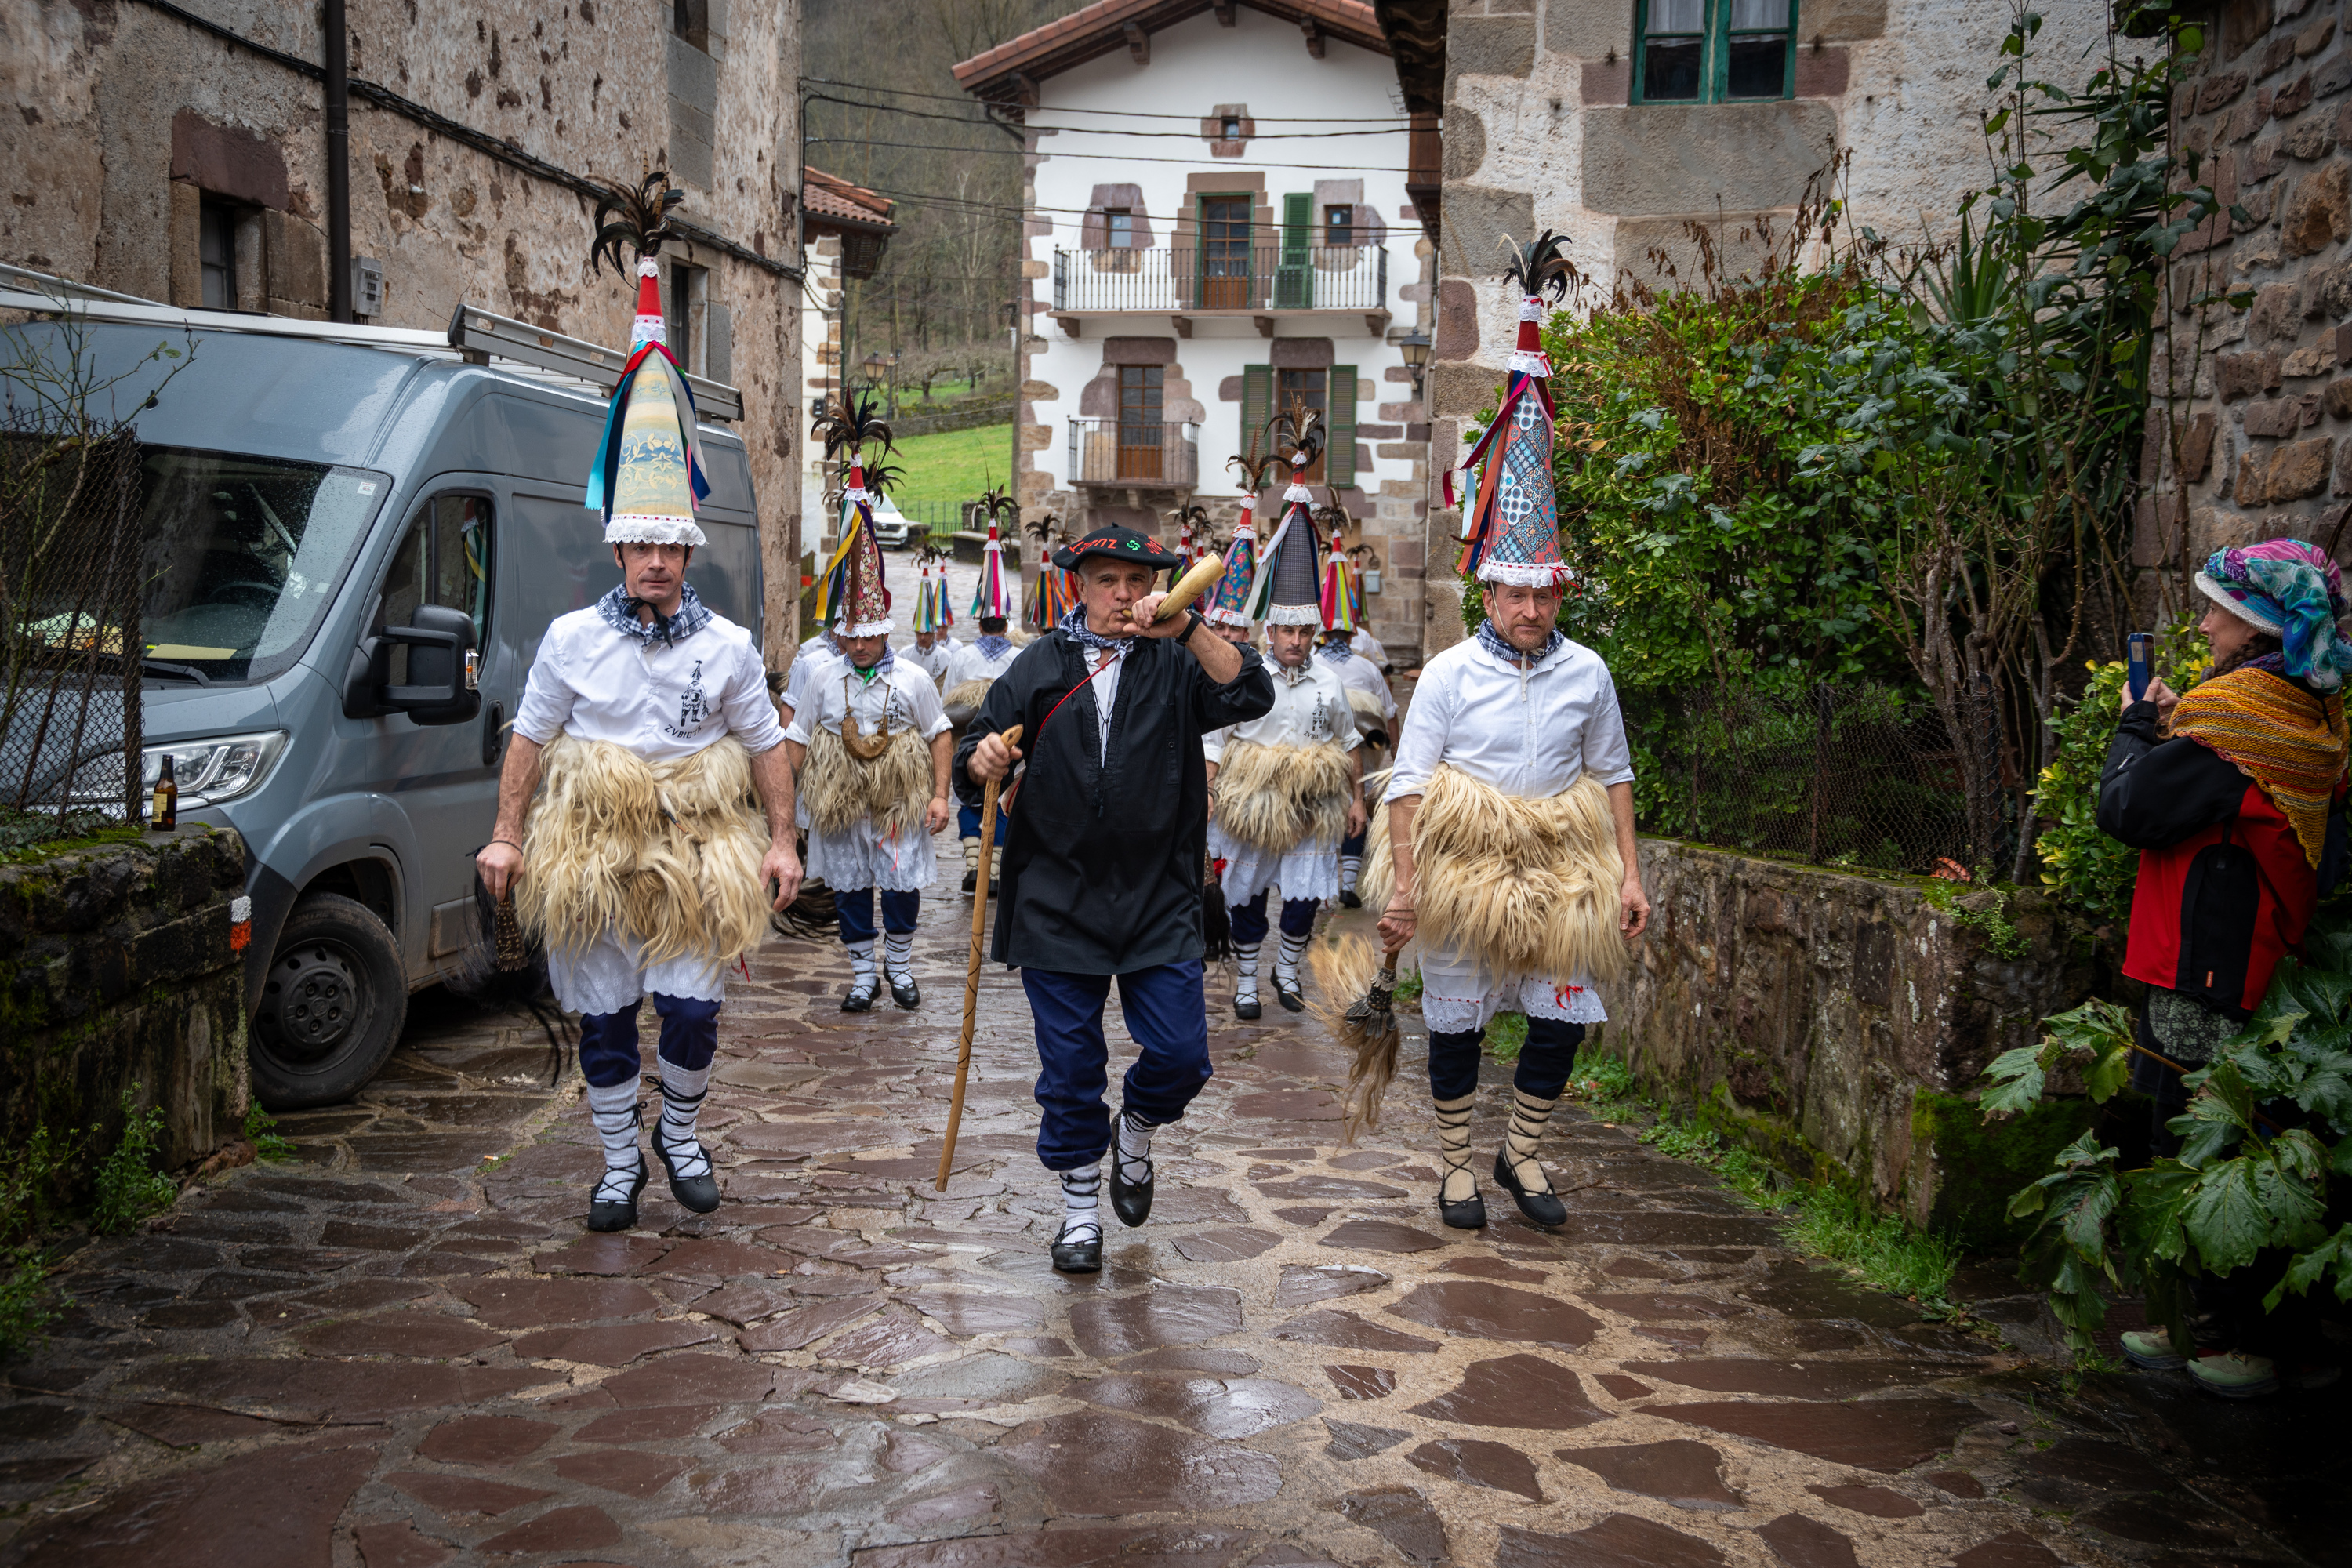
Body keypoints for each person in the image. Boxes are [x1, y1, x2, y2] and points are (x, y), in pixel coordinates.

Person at [477, 252, 799, 1234]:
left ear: (689, 550)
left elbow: (766, 743)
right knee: (607, 1017)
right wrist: (508, 833)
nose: (657, 560)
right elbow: (530, 735)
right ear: (617, 547)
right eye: (642, 544)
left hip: (699, 850)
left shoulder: (728, 646)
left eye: (672, 545)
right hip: (592, 849)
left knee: (692, 1011)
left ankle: (682, 1132)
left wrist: (783, 841)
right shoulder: (571, 639)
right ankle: (619, 1162)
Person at [1371, 239, 1649, 1232]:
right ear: (1487, 589)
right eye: (1515, 592)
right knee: (1457, 1026)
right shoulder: (1449, 673)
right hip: (1464, 867)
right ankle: (1455, 1167)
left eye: (1544, 592)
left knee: (1561, 1021)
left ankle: (1520, 1150)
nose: (1531, 607)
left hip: (1561, 866)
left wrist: (1629, 872)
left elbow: (1613, 772)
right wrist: (1407, 884)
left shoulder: (1589, 671)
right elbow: (1408, 781)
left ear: (1557, 591)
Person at [955, 524, 1273, 1273]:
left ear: (1156, 588)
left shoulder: (1177, 659)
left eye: (1137, 581)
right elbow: (975, 751)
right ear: (1081, 586)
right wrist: (985, 759)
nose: (1123, 595)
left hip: (1158, 893)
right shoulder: (1040, 663)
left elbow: (1249, 692)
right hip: (1055, 896)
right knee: (1070, 1068)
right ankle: (1077, 1214)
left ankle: (1135, 1129)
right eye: (1107, 581)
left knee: (1182, 1056)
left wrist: (1187, 628)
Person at [2099, 539, 2352, 1399]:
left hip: (2205, 966)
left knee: (2201, 1142)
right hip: (2256, 962)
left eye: (2219, 612)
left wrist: (2137, 723)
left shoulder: (2234, 721)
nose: (2205, 625)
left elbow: (2125, 807)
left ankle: (2243, 1338)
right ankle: (2207, 1325)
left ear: (2257, 629)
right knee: (2234, 1140)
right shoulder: (2311, 715)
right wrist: (2178, 723)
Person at [785, 461, 953, 1012]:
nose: (859, 647)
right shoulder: (820, 677)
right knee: (850, 888)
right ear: (840, 634)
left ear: (884, 631)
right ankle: (863, 976)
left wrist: (938, 795)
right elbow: (797, 735)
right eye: (851, 638)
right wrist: (787, 807)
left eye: (869, 637)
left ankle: (899, 969)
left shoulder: (913, 679)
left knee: (901, 886)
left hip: (896, 801)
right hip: (840, 802)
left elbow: (939, 733)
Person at [1205, 461, 1361, 1018]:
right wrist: (1209, 793)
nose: (1295, 640)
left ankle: (1287, 970)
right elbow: (1215, 741)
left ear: (1314, 632)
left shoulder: (1331, 683)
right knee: (1246, 899)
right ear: (1268, 630)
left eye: (1304, 631)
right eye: (1287, 630)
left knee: (1302, 902)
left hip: (1312, 809)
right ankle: (1247, 981)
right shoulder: (1242, 676)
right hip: (1249, 807)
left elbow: (1348, 742)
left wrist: (1357, 801)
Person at [942, 515, 1024, 892]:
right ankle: (994, 871)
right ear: (1006, 625)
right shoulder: (1019, 658)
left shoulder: (961, 656)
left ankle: (974, 865)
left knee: (971, 798)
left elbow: (947, 705)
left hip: (970, 739)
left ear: (980, 625)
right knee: (1005, 796)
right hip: (1010, 743)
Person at [1319, 615, 1396, 909]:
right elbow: (1390, 712)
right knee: (1357, 802)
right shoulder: (1368, 668)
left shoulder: (1312, 664)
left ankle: (1324, 887)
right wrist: (1396, 749)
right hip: (1364, 744)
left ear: (1323, 635)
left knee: (1324, 807)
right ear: (1352, 636)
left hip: (1323, 750)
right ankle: (1349, 884)